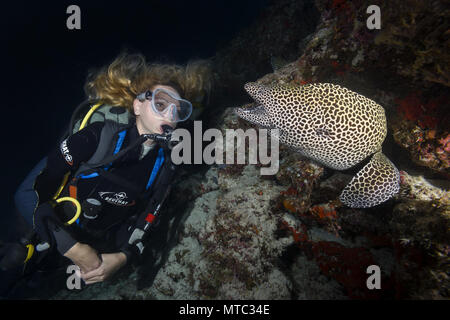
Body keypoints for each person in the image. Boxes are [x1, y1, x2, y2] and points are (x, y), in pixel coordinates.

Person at [1, 53, 211, 295]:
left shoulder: (166, 166)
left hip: (82, 267)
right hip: (39, 235)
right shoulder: (98, 136)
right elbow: (27, 193)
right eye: (161, 104)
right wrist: (72, 248)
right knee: (10, 268)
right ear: (137, 105)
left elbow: (146, 222)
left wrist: (122, 258)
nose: (170, 115)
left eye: (178, 110)